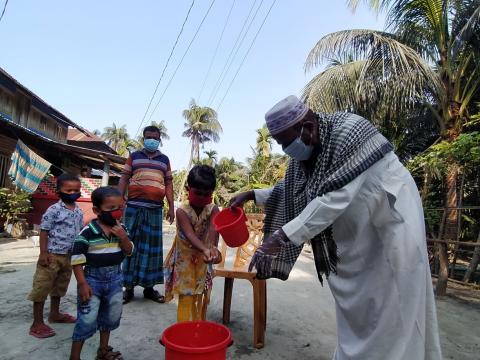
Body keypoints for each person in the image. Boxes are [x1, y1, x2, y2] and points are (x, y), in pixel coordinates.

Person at [230, 95, 442, 360]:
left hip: (389, 223)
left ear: (307, 123)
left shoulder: (350, 131)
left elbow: (333, 198)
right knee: (362, 309)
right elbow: (290, 191)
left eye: (288, 141)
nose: (288, 149)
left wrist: (282, 237)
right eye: (282, 144)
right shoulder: (305, 157)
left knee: (394, 302)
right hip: (356, 235)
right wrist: (252, 194)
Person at [70, 186, 133, 360]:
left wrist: (123, 237)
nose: (116, 213)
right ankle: (74, 357)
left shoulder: (121, 229)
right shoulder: (87, 233)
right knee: (86, 320)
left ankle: (103, 351)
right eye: (111, 208)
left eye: (119, 208)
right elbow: (76, 259)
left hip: (115, 280)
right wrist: (82, 284)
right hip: (92, 281)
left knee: (110, 318)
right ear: (97, 210)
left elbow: (129, 251)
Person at [118, 125, 175, 304]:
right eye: (148, 137)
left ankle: (149, 289)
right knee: (129, 246)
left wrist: (171, 206)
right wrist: (119, 200)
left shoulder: (164, 159)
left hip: (155, 209)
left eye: (155, 137)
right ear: (143, 138)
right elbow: (124, 179)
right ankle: (128, 289)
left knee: (152, 250)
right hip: (133, 207)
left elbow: (168, 185)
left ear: (159, 140)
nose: (152, 140)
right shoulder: (134, 156)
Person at [28, 173, 83, 338]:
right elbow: (44, 230)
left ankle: (55, 314)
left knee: (60, 287)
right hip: (52, 255)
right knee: (42, 287)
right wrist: (43, 253)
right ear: (59, 191)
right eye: (69, 190)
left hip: (69, 256)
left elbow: (79, 232)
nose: (73, 192)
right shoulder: (54, 210)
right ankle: (37, 323)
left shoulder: (79, 211)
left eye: (76, 190)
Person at [164, 165, 221, 322]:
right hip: (185, 260)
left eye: (207, 194)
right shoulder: (182, 211)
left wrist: (213, 249)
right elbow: (189, 234)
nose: (202, 198)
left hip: (203, 261)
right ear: (188, 189)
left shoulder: (213, 209)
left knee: (200, 296)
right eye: (198, 193)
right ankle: (183, 332)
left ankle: (198, 328)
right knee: (186, 297)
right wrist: (205, 249)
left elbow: (213, 230)